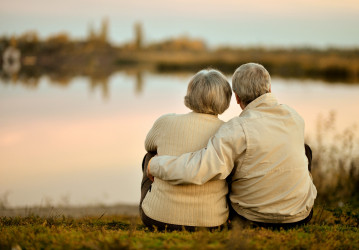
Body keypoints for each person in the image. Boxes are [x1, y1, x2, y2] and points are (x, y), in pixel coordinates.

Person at [148, 63, 317, 229]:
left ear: (236, 97)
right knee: (305, 150)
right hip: (300, 216)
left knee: (228, 163)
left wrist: (154, 164)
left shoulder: (237, 128)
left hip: (251, 217)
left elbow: (200, 168)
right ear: (270, 89)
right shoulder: (295, 117)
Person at [140, 69, 232, 231]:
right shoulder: (228, 131)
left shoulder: (165, 121)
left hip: (157, 218)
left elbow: (149, 145)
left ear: (190, 94)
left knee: (150, 156)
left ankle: (160, 202)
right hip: (212, 222)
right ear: (226, 98)